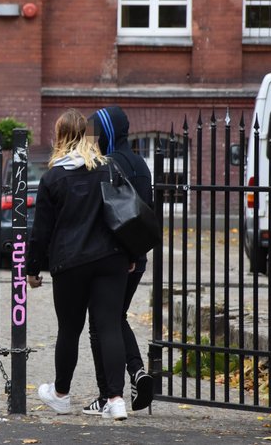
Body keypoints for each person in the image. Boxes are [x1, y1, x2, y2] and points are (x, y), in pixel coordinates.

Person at [26, 108, 131, 421]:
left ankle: (60, 395)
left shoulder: (53, 178)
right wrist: (132, 255)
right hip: (112, 258)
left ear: (60, 137)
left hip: (71, 262)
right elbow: (126, 213)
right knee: (110, 324)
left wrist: (32, 268)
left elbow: (41, 230)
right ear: (88, 135)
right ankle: (115, 400)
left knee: (69, 329)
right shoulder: (109, 169)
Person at [83, 105, 154, 415]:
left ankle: (108, 395)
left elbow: (107, 215)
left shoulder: (107, 164)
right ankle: (137, 373)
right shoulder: (141, 164)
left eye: (96, 131)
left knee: (102, 323)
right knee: (115, 317)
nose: (92, 137)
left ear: (109, 132)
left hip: (114, 257)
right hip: (138, 255)